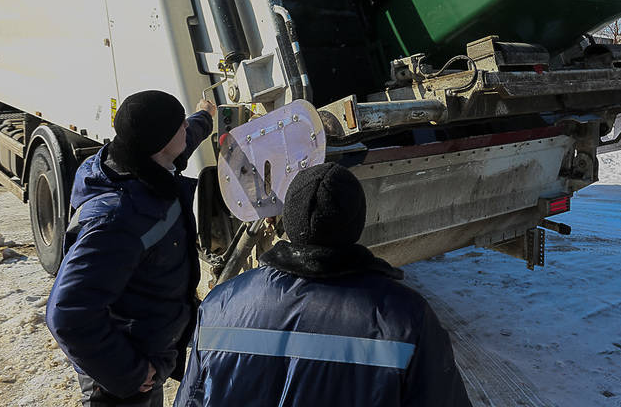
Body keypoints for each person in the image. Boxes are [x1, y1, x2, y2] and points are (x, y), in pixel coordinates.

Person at [173, 162, 472, 407]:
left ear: (288, 221)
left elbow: (192, 400)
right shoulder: (405, 318)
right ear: (356, 224)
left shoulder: (220, 305)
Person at [47, 90, 216, 406]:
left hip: (147, 352)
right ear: (163, 143)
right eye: (180, 125)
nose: (185, 130)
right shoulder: (117, 219)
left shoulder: (145, 160)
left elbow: (186, 138)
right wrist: (130, 372)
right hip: (121, 379)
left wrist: (205, 116)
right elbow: (67, 313)